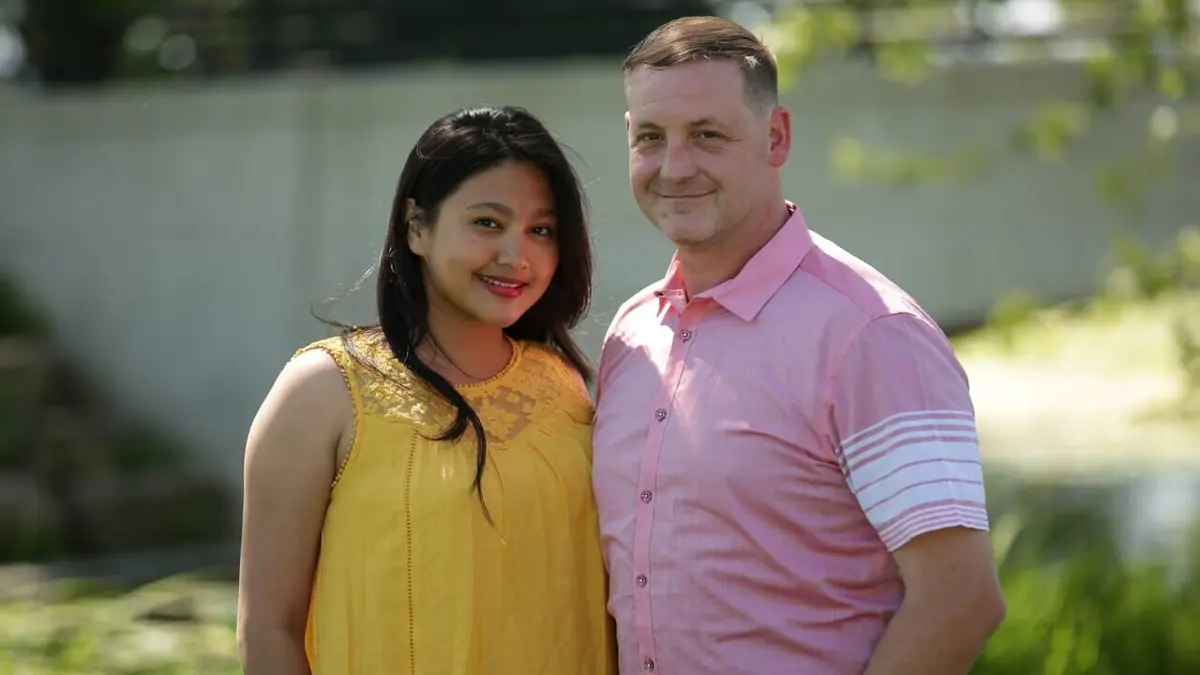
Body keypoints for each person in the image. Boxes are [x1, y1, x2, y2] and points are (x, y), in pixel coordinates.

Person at [592, 16, 1006, 675]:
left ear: (776, 136)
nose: (675, 166)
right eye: (650, 137)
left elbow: (960, 599)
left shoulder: (872, 335)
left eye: (707, 134)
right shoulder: (631, 332)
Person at [237, 105, 616, 675]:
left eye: (541, 230)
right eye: (487, 222)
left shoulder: (565, 388)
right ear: (417, 227)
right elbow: (267, 628)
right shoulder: (323, 392)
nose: (517, 256)